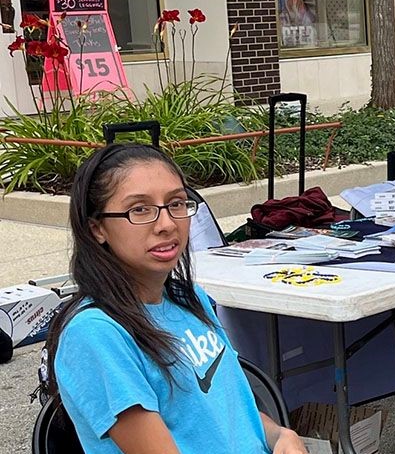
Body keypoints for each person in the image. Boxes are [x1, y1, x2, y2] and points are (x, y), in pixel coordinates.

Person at [43, 143, 307, 453]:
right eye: (139, 209)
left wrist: (279, 435)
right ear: (97, 228)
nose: (167, 224)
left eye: (177, 203)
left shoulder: (190, 297)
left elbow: (224, 410)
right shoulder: (95, 334)